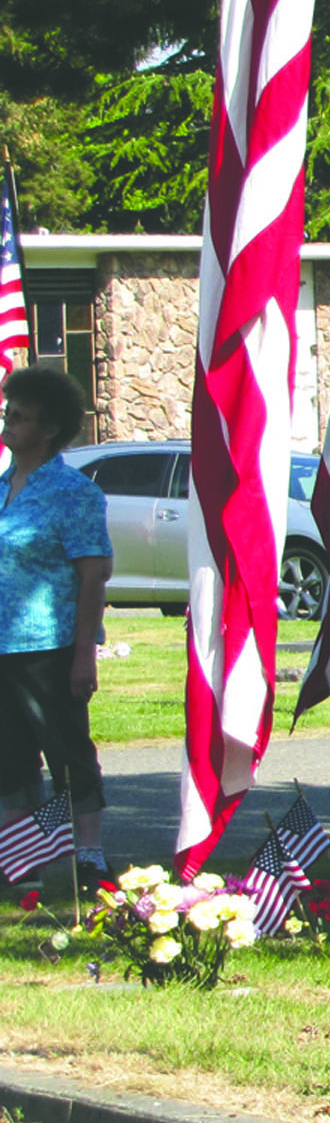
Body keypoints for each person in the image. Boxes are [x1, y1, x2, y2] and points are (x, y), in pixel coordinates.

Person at [0, 366, 111, 890]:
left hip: (51, 646)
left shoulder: (73, 492)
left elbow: (93, 575)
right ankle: (21, 862)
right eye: (8, 411)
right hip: (2, 647)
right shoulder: (4, 487)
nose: (9, 421)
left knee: (67, 750)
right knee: (9, 754)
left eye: (19, 415)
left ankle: (88, 852)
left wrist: (84, 653)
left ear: (48, 429)